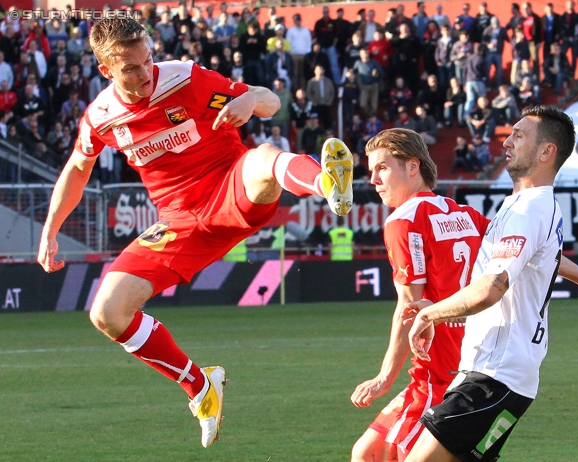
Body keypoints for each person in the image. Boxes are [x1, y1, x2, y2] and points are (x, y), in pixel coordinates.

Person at [37, 17, 355, 450]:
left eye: (147, 58)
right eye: (131, 67)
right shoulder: (101, 118)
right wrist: (51, 229)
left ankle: (327, 185)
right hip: (179, 222)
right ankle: (200, 385)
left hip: (230, 186)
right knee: (107, 313)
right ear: (106, 70)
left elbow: (269, 99)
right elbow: (77, 168)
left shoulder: (185, 78)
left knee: (263, 157)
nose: (146, 71)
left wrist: (248, 104)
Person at [404, 105, 578, 462]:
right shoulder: (536, 206)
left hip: (494, 376)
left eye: (519, 136)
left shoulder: (527, 210)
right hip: (506, 376)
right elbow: (544, 257)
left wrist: (431, 315)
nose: (507, 141)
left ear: (547, 152)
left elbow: (491, 288)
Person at [351, 128, 490, 462]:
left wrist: (384, 377)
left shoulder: (403, 221)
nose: (373, 179)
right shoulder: (465, 214)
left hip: (440, 375)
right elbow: (531, 251)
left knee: (375, 455)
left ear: (412, 167)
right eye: (371, 171)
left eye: (382, 168)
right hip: (471, 364)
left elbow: (408, 306)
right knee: (366, 452)